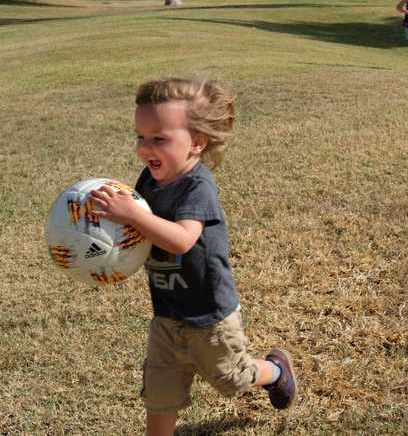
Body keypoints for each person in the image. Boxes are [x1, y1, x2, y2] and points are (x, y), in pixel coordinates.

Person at [88, 78, 297, 436]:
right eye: (140, 136)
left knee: (234, 379)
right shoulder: (149, 181)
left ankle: (276, 371)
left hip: (209, 317)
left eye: (159, 138)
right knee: (159, 396)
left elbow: (183, 240)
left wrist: (135, 216)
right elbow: (142, 230)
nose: (144, 148)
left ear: (197, 143)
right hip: (166, 316)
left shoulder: (198, 187)